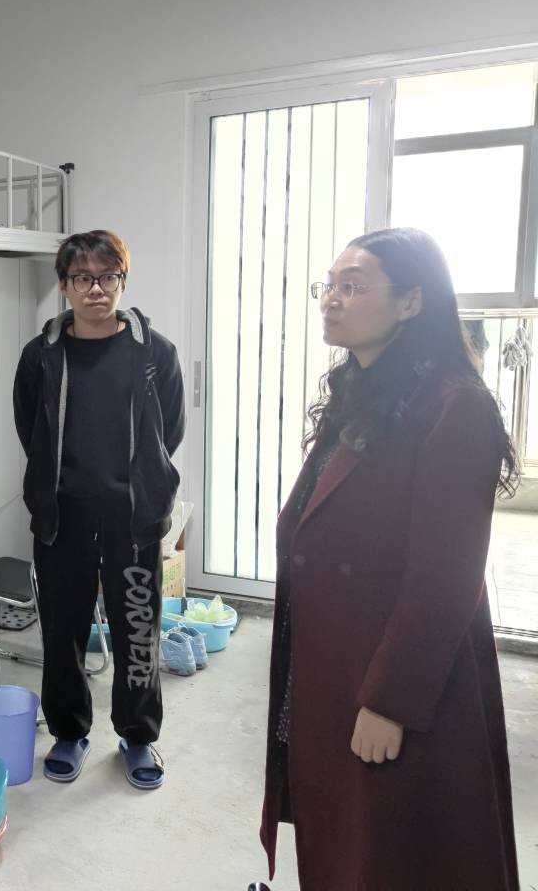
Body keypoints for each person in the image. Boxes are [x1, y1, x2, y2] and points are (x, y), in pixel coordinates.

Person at [261, 227, 520, 889]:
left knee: (398, 843)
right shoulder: (362, 387)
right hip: (336, 659)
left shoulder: (455, 407)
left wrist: (390, 702)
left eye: (352, 287)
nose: (331, 300)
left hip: (401, 675)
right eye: (328, 285)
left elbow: (446, 575)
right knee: (343, 831)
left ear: (411, 302)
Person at [13, 229, 185, 788]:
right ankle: (69, 731)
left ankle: (138, 737)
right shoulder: (41, 356)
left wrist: (141, 481)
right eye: (82, 278)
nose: (96, 289)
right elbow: (30, 428)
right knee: (62, 629)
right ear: (64, 286)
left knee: (137, 627)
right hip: (62, 517)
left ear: (122, 282)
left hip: (133, 517)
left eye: (107, 277)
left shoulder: (154, 353)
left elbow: (170, 430)